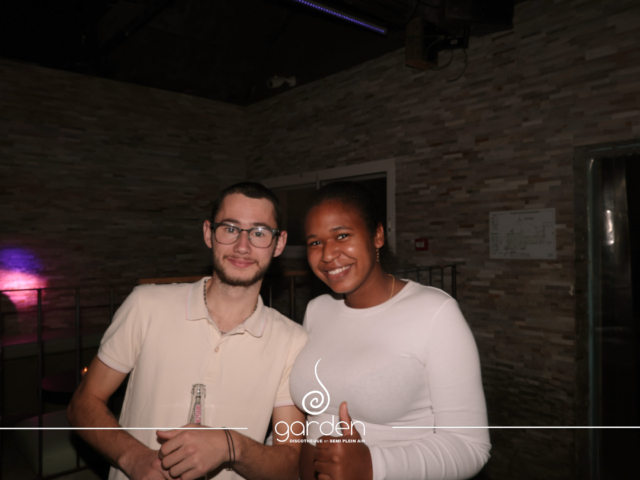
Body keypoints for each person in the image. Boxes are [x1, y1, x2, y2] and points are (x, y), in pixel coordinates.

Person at [68, 182, 308, 480]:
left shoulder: (293, 341)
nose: (242, 246)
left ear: (279, 243)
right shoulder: (146, 305)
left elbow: (290, 463)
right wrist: (134, 458)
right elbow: (84, 402)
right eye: (230, 229)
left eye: (259, 232)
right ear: (208, 233)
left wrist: (231, 446)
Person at [289, 182, 491, 480]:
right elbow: (311, 421)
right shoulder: (318, 310)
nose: (328, 254)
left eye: (342, 235)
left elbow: (470, 446)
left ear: (377, 236)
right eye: (315, 242)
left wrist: (374, 465)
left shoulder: (435, 312)